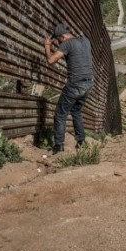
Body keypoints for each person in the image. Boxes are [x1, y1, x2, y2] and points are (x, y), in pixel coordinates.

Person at [44, 23, 94, 154]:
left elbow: (50, 60)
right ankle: (81, 141)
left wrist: (47, 46)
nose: (58, 42)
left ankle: (58, 146)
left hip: (75, 84)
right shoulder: (85, 40)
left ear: (61, 37)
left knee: (60, 114)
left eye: (58, 39)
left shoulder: (66, 44)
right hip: (89, 83)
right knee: (76, 111)